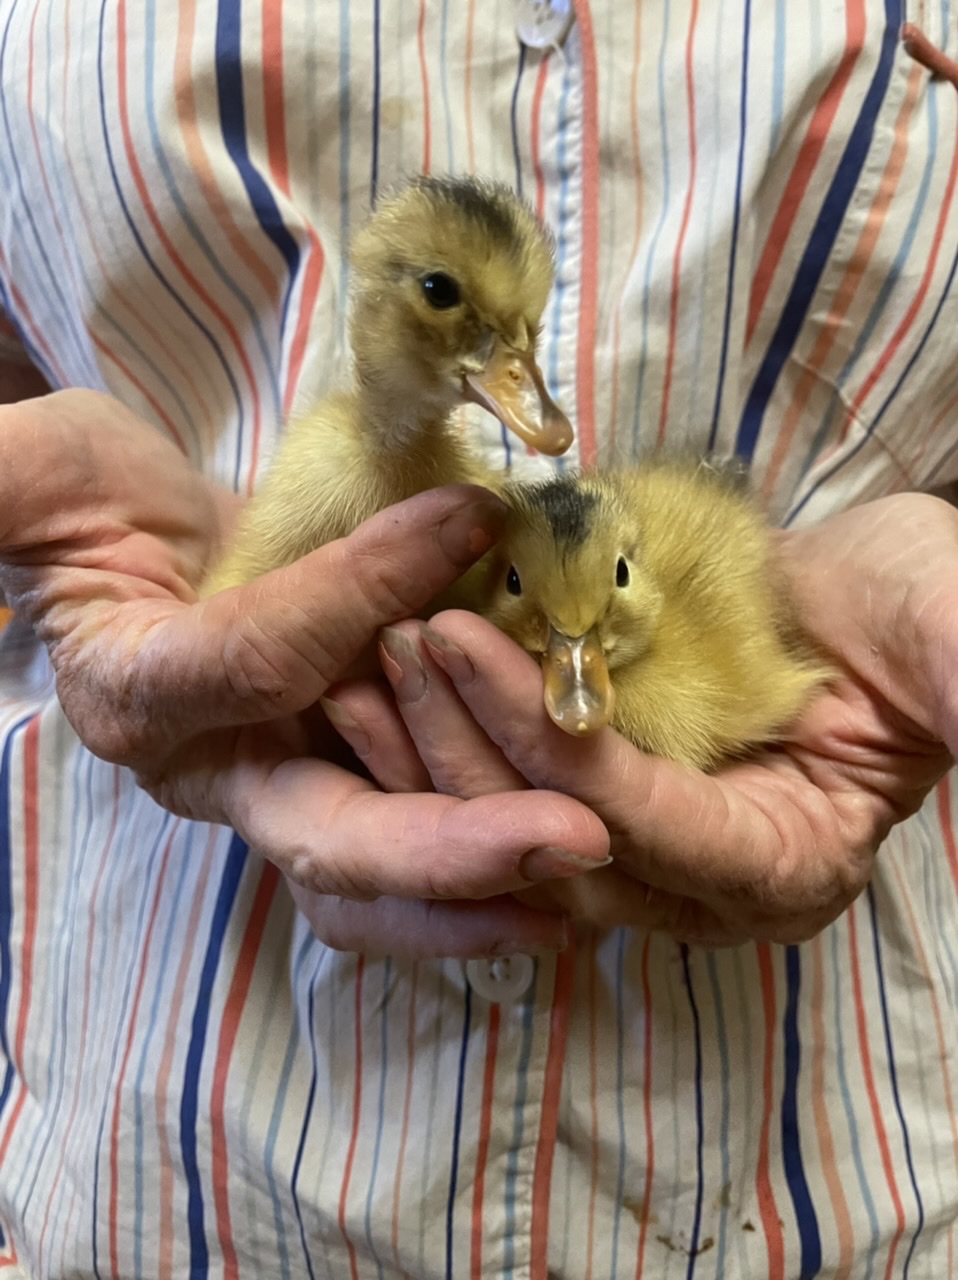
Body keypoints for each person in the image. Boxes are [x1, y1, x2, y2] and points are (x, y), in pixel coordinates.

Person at [1, 3, 957, 1277]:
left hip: (819, 1159)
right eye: (456, 310)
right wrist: (64, 564)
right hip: (168, 1136)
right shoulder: (363, 471)